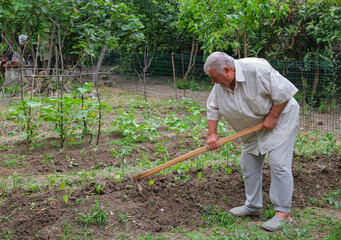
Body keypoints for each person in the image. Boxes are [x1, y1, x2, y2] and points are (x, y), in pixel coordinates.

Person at [204, 51, 300, 231]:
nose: (213, 82)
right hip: (251, 128)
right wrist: (212, 135)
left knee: (278, 163)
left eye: (214, 77)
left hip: (280, 119)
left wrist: (273, 116)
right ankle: (253, 206)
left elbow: (284, 93)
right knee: (248, 163)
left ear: (227, 70)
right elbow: (213, 108)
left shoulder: (257, 69)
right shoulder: (220, 85)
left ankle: (283, 214)